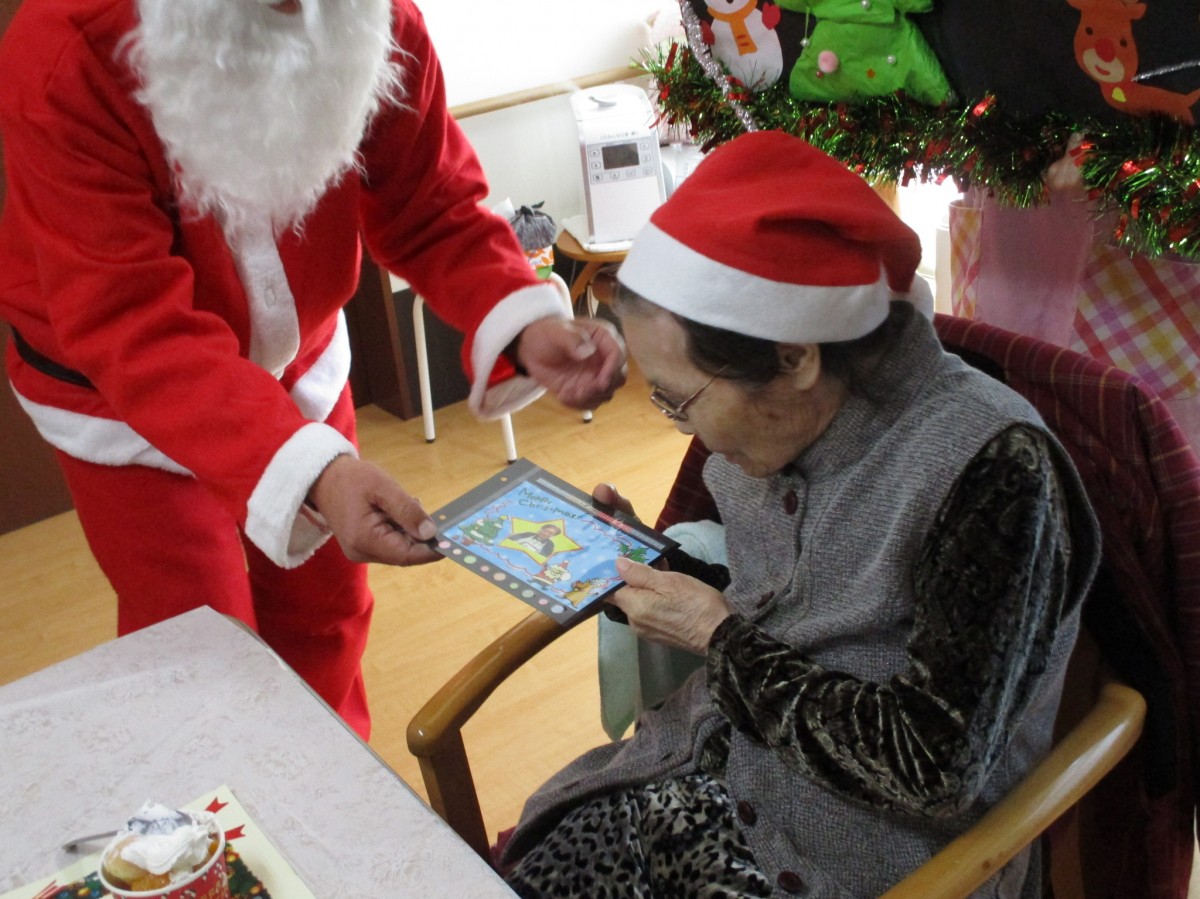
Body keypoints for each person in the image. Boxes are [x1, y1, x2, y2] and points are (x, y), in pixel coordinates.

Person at [0, 0, 625, 740]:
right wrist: (312, 470)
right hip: (122, 399)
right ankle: (230, 801)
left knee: (328, 609)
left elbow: (426, 200)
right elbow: (129, 320)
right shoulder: (65, 49)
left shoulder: (376, 18)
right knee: (198, 641)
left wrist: (520, 317)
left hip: (299, 358)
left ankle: (330, 778)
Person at [499, 131, 1101, 898]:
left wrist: (718, 638)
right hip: (707, 769)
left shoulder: (994, 472)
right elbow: (796, 598)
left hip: (859, 859)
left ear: (794, 357)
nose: (687, 431)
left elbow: (935, 767)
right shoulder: (779, 423)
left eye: (682, 400)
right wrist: (660, 570)